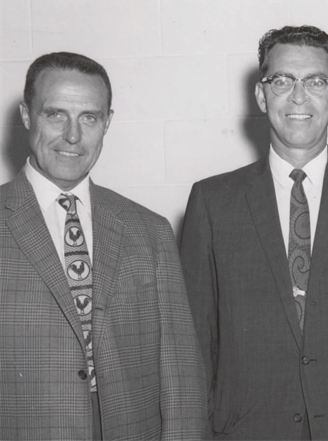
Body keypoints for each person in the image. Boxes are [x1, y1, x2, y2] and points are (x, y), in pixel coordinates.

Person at [180, 25, 328, 441]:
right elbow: (196, 345)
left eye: (316, 81)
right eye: (282, 81)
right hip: (248, 429)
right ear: (260, 95)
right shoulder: (211, 201)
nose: (299, 96)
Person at [0, 52, 207, 441]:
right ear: (27, 116)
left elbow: (182, 380)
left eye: (89, 118)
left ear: (107, 122)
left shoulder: (149, 230)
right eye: (55, 114)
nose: (73, 136)